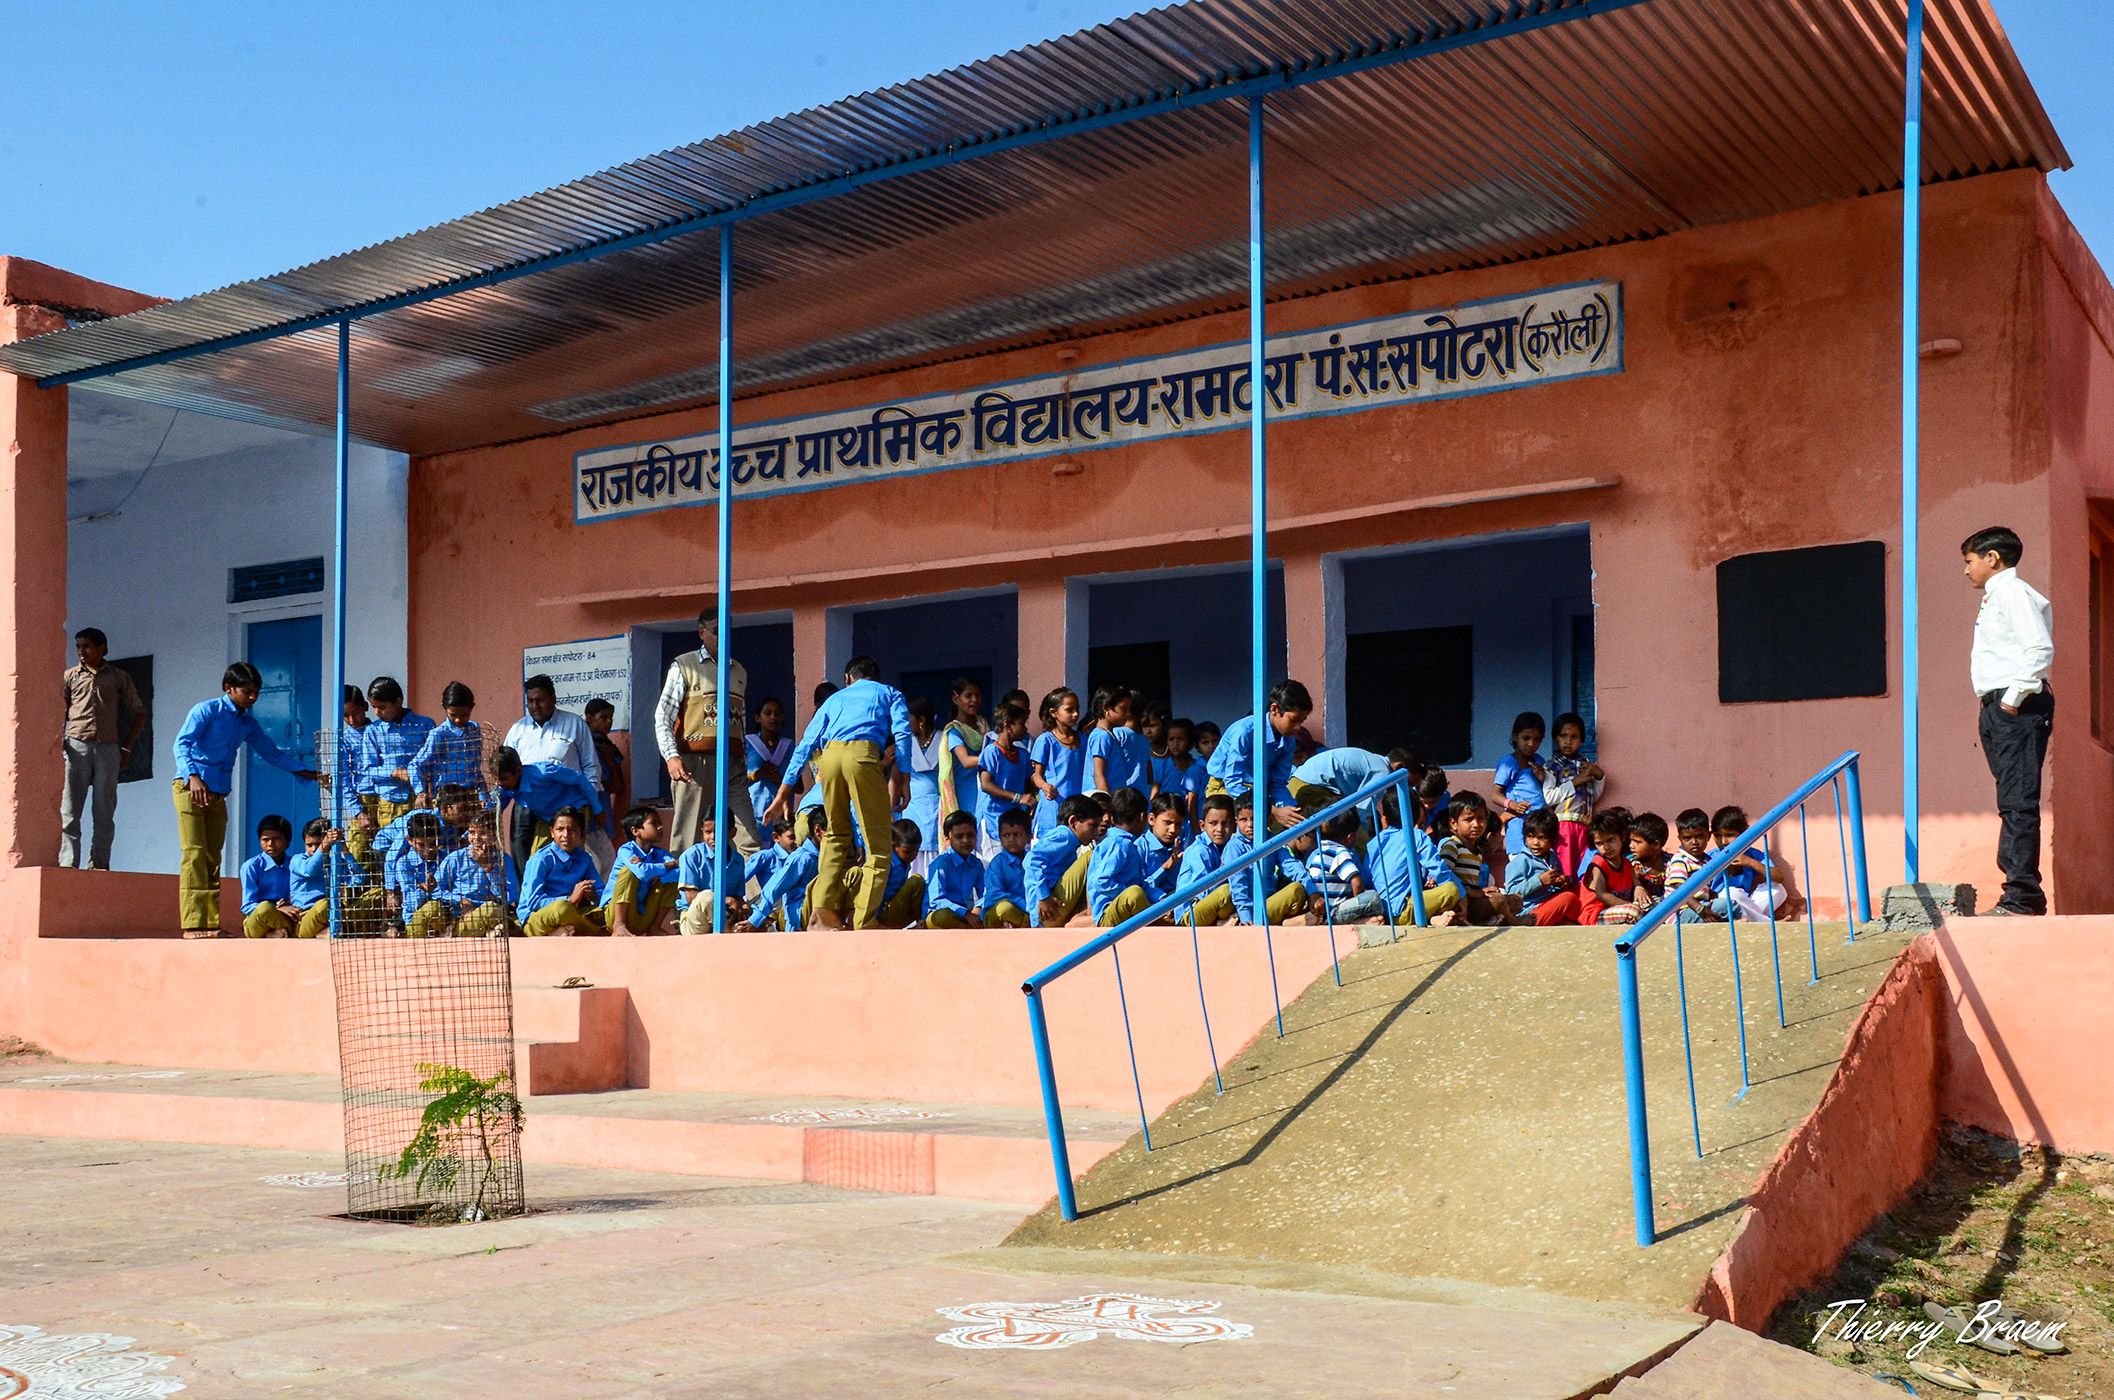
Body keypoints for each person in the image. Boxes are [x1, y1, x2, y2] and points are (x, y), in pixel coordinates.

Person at [761, 656, 914, 930]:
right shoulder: (889, 693)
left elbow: (806, 744)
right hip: (863, 756)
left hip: (828, 760)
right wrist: (903, 778)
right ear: (875, 677)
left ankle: (822, 915)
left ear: (847, 679)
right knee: (879, 847)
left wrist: (783, 793)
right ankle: (864, 920)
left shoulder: (834, 700)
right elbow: (902, 734)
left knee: (835, 836)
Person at [171, 662, 321, 937]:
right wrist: (192, 776)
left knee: (212, 856)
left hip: (217, 793)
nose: (253, 698)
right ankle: (193, 925)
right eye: (247, 691)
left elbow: (271, 752)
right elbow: (181, 743)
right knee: (194, 854)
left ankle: (210, 924)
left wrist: (304, 771)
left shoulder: (246, 723)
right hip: (190, 788)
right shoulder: (206, 710)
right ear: (229, 688)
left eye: (256, 692)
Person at [1962, 525, 2055, 916]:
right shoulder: (1998, 596)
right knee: (2011, 800)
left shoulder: (2012, 592)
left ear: (1992, 559)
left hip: (2014, 705)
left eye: (1969, 561)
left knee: (2017, 802)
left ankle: (2021, 897)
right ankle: (2020, 893)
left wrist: (2012, 701)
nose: (1966, 570)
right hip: (1999, 707)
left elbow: (2038, 647)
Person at [650, 610, 758, 857]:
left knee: (747, 835)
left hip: (731, 764)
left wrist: (743, 760)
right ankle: (685, 894)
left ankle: (754, 895)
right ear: (702, 633)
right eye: (716, 630)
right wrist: (671, 756)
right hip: (694, 763)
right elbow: (662, 715)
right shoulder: (684, 665)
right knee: (688, 835)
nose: (723, 636)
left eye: (727, 630)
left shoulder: (739, 671)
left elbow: (739, 721)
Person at [59, 626, 146, 870]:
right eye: (78, 646)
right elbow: (59, 711)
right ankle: (68, 864)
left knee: (104, 811)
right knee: (69, 810)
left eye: (86, 646)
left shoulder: (118, 676)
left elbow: (139, 711)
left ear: (102, 648)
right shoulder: (71, 676)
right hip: (76, 744)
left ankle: (98, 864)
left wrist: (126, 748)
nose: (81, 652)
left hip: (108, 747)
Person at [1205, 680, 1312, 831]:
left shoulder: (1289, 741)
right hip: (1225, 789)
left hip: (1260, 792)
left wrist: (1292, 811)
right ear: (1274, 709)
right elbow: (1233, 781)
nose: (1298, 727)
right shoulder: (1245, 732)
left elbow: (1278, 783)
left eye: (1302, 721)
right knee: (1239, 829)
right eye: (1294, 720)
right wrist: (1272, 810)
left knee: (1290, 830)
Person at [492, 747, 603, 872]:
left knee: (572, 853)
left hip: (573, 810)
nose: (500, 783)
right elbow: (495, 805)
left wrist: (597, 809)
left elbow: (580, 780)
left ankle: (580, 886)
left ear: (518, 771)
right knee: (537, 860)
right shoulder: (507, 787)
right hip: (548, 818)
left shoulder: (544, 772)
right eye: (497, 779)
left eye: (503, 778)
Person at [1367, 788, 1462, 928]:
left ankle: (1432, 917)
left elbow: (1367, 879)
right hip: (1403, 912)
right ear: (1417, 814)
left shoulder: (1374, 843)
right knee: (1451, 889)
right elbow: (1439, 871)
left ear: (1385, 818)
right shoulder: (1416, 835)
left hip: (1381, 913)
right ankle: (1432, 918)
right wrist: (1463, 897)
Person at [358, 677, 436, 832]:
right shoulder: (373, 731)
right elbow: (369, 771)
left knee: (424, 843)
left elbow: (434, 761)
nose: (377, 712)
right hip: (391, 801)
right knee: (391, 848)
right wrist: (395, 773)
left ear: (398, 702)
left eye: (382, 707)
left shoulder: (425, 725)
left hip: (421, 798)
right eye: (374, 707)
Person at [515, 807, 606, 936]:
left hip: (572, 914)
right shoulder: (541, 859)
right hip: (537, 918)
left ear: (581, 834)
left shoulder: (584, 858)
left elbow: (601, 891)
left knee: (609, 908)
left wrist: (594, 895)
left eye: (572, 830)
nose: (566, 835)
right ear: (552, 832)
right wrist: (570, 900)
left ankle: (563, 931)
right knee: (561, 908)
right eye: (560, 829)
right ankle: (596, 932)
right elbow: (534, 901)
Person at [507, 674, 603, 792]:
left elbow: (590, 765)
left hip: (567, 804)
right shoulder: (517, 730)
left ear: (553, 698)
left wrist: (589, 798)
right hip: (529, 803)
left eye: (540, 700)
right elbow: (506, 768)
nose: (535, 706)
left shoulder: (574, 724)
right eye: (530, 701)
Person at [1225, 794, 1311, 926]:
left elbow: (1290, 865)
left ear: (1269, 820)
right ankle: (1289, 922)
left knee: (1297, 889)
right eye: (1243, 820)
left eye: (1255, 819)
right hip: (1250, 911)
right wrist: (1246, 917)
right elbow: (1238, 884)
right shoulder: (1234, 847)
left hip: (1268, 902)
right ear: (1236, 821)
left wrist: (1312, 891)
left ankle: (1287, 921)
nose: (1250, 825)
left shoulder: (1272, 841)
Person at [737, 809, 824, 932]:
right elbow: (742, 880)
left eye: (797, 836)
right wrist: (746, 907)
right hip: (773, 908)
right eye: (791, 837)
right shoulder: (797, 858)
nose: (795, 841)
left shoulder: (816, 856)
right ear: (776, 837)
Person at [432, 814, 518, 939]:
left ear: (494, 836)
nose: (476, 838)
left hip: (485, 914)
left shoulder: (503, 860)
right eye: (472, 832)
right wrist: (460, 900)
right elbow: (435, 889)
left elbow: (509, 896)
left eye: (483, 833)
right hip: (455, 914)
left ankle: (455, 935)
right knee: (430, 909)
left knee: (491, 909)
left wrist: (488, 868)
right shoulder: (456, 858)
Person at [1026, 793, 1103, 927]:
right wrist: (1043, 897)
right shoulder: (1064, 835)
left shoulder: (1070, 842)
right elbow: (1031, 860)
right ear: (1073, 822)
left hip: (1051, 910)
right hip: (1047, 909)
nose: (1096, 832)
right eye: (1092, 826)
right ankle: (1091, 916)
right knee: (1091, 856)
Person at [1540, 713, 1603, 877]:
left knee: (1584, 867)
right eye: (1563, 736)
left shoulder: (1585, 764)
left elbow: (1593, 796)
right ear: (1555, 738)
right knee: (1565, 867)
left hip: (1585, 824)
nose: (1568, 741)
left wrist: (1599, 776)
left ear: (1581, 740)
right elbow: (1549, 797)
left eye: (1574, 737)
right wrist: (1576, 781)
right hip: (1564, 826)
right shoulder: (1551, 766)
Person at [604, 805, 680, 936]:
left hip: (642, 915)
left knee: (671, 880)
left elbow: (678, 873)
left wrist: (657, 876)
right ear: (635, 831)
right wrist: (668, 866)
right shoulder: (626, 850)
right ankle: (619, 925)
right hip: (615, 913)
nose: (660, 827)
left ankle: (655, 926)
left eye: (660, 823)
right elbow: (642, 872)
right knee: (628, 871)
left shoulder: (660, 854)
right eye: (654, 824)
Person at [1436, 793, 1508, 926]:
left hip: (1471, 901)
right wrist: (1474, 893)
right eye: (1469, 820)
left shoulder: (1476, 852)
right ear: (1453, 824)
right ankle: (1516, 923)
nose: (1476, 824)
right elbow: (1445, 878)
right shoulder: (1452, 846)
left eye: (1480, 818)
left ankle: (1480, 921)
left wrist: (1481, 892)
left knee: (1514, 901)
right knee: (1499, 901)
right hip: (1458, 904)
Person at [1086, 787, 1154, 927]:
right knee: (1135, 894)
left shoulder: (1126, 843)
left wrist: (1161, 898)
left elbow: (1141, 882)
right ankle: (1157, 923)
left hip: (1123, 907)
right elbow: (1102, 880)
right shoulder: (1120, 844)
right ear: (1142, 817)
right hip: (1108, 913)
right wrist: (1125, 893)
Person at [841, 819, 927, 928]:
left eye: (916, 851)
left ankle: (920, 922)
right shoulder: (886, 865)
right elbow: (872, 892)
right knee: (916, 881)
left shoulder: (904, 862)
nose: (913, 855)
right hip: (877, 913)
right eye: (907, 851)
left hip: (893, 908)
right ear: (893, 846)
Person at [1708, 806, 1788, 922]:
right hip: (1721, 906)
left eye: (1729, 835)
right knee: (1731, 892)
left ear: (1744, 834)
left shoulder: (1752, 854)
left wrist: (1750, 862)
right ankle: (1768, 924)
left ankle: (1752, 920)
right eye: (1718, 836)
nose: (1724, 841)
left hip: (1745, 904)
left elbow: (1779, 877)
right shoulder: (1711, 857)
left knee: (1778, 889)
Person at [412, 682, 489, 801]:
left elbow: (476, 768)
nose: (458, 720)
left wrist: (483, 795)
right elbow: (415, 764)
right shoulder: (439, 734)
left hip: (471, 797)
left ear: (472, 707)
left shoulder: (474, 730)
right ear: (444, 707)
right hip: (446, 799)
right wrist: (420, 792)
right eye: (453, 715)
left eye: (464, 715)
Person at [677, 815, 753, 936]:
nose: (713, 837)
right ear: (702, 831)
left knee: (753, 913)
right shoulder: (691, 856)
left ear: (732, 833)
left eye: (719, 832)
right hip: (695, 921)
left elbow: (738, 897)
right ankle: (728, 933)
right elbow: (691, 897)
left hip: (726, 914)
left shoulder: (738, 860)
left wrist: (744, 907)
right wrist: (726, 900)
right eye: (708, 832)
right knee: (707, 897)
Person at [976, 701, 1034, 857]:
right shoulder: (991, 752)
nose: (1025, 729)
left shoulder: (1023, 755)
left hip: (1017, 822)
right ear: (1008, 725)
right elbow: (986, 784)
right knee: (993, 864)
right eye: (1021, 724)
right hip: (994, 819)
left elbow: (1028, 783)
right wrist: (1018, 797)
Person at [1306, 809, 1385, 924]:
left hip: (1322, 910)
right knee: (1372, 897)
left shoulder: (1316, 852)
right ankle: (1357, 920)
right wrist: (1357, 900)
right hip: (1334, 912)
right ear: (1350, 837)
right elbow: (1357, 883)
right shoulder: (1340, 851)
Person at [1505, 809, 1580, 926]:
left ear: (1553, 839)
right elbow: (1512, 892)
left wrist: (1561, 881)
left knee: (1576, 892)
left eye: (1541, 838)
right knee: (1567, 898)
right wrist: (1539, 881)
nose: (1535, 843)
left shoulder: (1553, 858)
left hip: (1548, 904)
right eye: (1530, 837)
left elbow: (1555, 886)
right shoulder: (1521, 861)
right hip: (1529, 912)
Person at [1028, 687, 1087, 834]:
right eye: (1069, 710)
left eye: (1077, 709)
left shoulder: (1084, 740)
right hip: (1054, 807)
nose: (1075, 714)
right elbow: (1036, 775)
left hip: (1079, 808)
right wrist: (1045, 786)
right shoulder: (1046, 740)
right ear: (1054, 713)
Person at [1491, 710, 1547, 858]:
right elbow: (1495, 795)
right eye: (1526, 738)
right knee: (1521, 866)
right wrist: (1513, 805)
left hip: (1540, 826)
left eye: (1537, 740)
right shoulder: (1508, 763)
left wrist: (1542, 778)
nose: (1531, 744)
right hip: (1519, 826)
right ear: (1515, 736)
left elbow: (1544, 791)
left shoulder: (1539, 761)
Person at [935, 677, 988, 829]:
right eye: (968, 696)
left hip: (985, 790)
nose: (974, 700)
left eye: (978, 695)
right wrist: (995, 757)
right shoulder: (954, 732)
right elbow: (965, 760)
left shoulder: (983, 726)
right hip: (964, 793)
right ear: (956, 698)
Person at [1174, 792, 1235, 925]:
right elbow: (1204, 891)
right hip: (1190, 913)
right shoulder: (1198, 850)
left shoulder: (1231, 846)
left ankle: (1223, 922)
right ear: (1202, 826)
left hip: (1213, 907)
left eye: (1225, 824)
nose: (1219, 829)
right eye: (1213, 823)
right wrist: (1226, 868)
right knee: (1226, 892)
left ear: (1234, 825)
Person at [901, 696, 944, 874]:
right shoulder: (905, 743)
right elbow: (896, 779)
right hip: (913, 808)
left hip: (937, 808)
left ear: (921, 721)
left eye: (908, 719)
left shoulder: (944, 740)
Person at [238, 814, 300, 938]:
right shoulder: (251, 866)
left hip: (286, 917)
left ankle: (276, 933)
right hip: (258, 919)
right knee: (264, 908)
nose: (270, 844)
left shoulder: (295, 865)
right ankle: (269, 933)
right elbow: (247, 905)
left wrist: (289, 903)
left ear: (287, 841)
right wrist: (276, 909)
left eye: (277, 839)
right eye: (265, 840)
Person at [922, 810, 986, 929]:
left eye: (970, 835)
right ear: (947, 838)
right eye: (959, 837)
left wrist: (979, 907)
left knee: (991, 912)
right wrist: (966, 914)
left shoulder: (976, 864)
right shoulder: (940, 864)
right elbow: (937, 901)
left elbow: (987, 892)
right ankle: (969, 930)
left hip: (963, 915)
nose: (966, 841)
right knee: (943, 916)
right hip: (938, 914)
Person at [336, 686, 378, 864]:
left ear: (366, 707)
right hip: (362, 800)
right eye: (346, 716)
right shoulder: (344, 740)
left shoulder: (380, 731)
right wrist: (358, 812)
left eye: (356, 713)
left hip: (388, 798)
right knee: (358, 855)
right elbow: (343, 780)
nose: (352, 720)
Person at [1576, 811, 1640, 927]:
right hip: (1595, 915)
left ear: (1622, 837)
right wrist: (1629, 904)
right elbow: (1602, 895)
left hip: (1618, 911)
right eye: (1599, 843)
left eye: (1610, 840)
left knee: (1656, 906)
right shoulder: (1598, 864)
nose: (1606, 847)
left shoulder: (1626, 863)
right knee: (1632, 912)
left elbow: (1637, 884)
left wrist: (1640, 890)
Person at [393, 812, 452, 938]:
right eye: (421, 845)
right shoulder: (404, 864)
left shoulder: (447, 859)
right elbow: (409, 904)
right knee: (431, 908)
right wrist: (425, 890)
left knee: (435, 907)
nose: (428, 850)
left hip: (445, 918)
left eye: (432, 844)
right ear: (410, 840)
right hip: (415, 921)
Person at [1086, 687, 1151, 799]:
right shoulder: (1101, 736)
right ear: (1106, 709)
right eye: (1123, 709)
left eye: (1128, 709)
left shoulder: (1111, 736)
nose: (1126, 714)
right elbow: (1098, 774)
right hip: (1100, 802)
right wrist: (1107, 804)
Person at [743, 697, 794, 829]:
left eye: (777, 714)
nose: (773, 718)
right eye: (767, 713)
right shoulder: (747, 743)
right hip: (752, 813)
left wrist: (780, 780)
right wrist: (758, 774)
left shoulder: (788, 746)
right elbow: (734, 780)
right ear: (757, 718)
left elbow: (799, 786)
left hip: (781, 817)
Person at [1152, 718, 1209, 833]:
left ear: (1191, 743)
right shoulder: (1162, 766)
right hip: (1168, 821)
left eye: (1181, 739)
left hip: (1191, 822)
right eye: (1171, 739)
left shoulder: (1198, 768)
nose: (1175, 744)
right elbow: (1154, 796)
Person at [583, 698, 629, 841]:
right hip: (585, 811)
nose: (608, 722)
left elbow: (618, 786)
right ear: (589, 718)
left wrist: (609, 760)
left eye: (611, 718)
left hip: (603, 809)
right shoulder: (581, 745)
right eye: (603, 717)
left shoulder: (608, 748)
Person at [981, 808, 1033, 928]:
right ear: (1000, 837)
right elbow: (995, 893)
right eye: (1006, 835)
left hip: (1026, 910)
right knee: (1004, 908)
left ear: (1029, 837)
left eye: (1017, 835)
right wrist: (1022, 903)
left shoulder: (1032, 861)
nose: (1011, 839)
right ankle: (1030, 924)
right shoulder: (997, 863)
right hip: (997, 913)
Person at [1137, 792, 1186, 902]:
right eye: (1167, 822)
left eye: (1178, 824)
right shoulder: (1139, 848)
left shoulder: (1180, 847)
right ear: (1151, 819)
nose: (1173, 830)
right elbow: (1141, 887)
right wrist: (1165, 867)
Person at [1628, 811, 1670, 914]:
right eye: (1631, 841)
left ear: (1656, 844)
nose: (1631, 846)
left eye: (1637, 842)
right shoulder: (1630, 864)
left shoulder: (1671, 863)